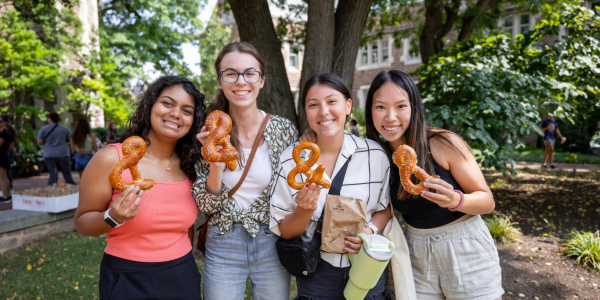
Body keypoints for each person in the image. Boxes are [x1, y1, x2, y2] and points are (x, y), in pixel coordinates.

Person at [302, 70, 502, 300]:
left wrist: (457, 200)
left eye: (400, 106)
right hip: (415, 251)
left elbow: (487, 202)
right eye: (380, 107)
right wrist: (314, 135)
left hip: (463, 247)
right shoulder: (377, 156)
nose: (390, 117)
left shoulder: (441, 143)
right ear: (370, 111)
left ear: (413, 107)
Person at [74, 76, 205, 300]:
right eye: (167, 103)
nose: (175, 114)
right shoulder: (111, 158)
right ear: (150, 105)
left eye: (187, 110)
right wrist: (113, 216)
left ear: (192, 121)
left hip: (182, 276)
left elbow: (186, 228)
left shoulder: (190, 167)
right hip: (128, 278)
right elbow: (82, 224)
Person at [271, 73, 392, 299]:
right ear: (306, 112)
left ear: (348, 106)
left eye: (332, 101)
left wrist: (368, 231)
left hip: (367, 264)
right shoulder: (291, 160)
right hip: (318, 273)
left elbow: (385, 208)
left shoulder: (374, 154)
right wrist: (304, 209)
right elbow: (285, 231)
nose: (323, 111)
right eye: (313, 105)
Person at [192, 42, 297, 300]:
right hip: (223, 240)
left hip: (271, 240)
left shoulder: (283, 130)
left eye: (250, 73)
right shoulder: (208, 133)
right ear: (220, 81)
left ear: (261, 81)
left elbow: (291, 192)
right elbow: (206, 206)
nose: (241, 81)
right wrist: (215, 166)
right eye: (231, 73)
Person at [37, 112, 75, 185]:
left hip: (49, 153)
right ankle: (74, 190)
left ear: (50, 119)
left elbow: (39, 141)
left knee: (53, 175)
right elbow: (71, 139)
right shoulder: (65, 128)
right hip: (63, 153)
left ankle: (51, 190)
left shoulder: (44, 128)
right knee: (67, 175)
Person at [0, 115, 13, 204]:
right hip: (4, 155)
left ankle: (5, 196)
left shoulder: (4, 133)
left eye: (0, 121)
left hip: (2, 156)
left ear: (5, 122)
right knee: (4, 176)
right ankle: (7, 195)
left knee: (2, 177)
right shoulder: (5, 132)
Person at [4, 115, 19, 190]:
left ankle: (9, 188)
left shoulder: (9, 129)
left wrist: (17, 153)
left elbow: (16, 141)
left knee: (6, 171)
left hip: (7, 151)